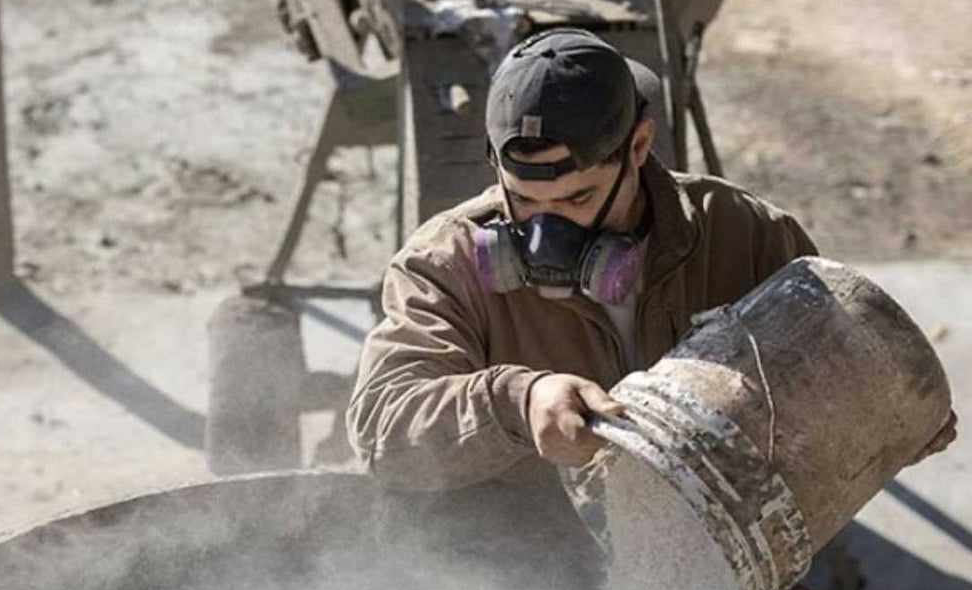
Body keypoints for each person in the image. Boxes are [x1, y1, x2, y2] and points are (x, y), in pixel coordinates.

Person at [346, 28, 818, 495]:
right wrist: (517, 403)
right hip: (535, 557)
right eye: (524, 200)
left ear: (638, 147)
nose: (546, 230)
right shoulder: (447, 262)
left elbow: (841, 376)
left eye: (577, 198)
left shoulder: (744, 234)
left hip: (717, 541)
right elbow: (382, 425)